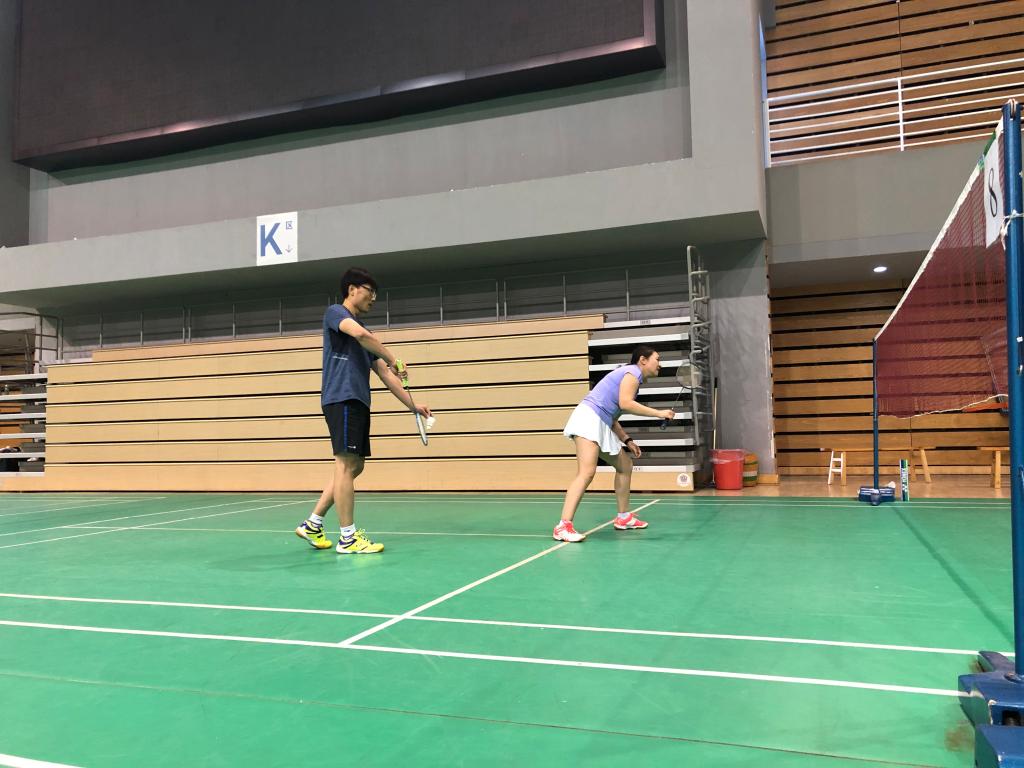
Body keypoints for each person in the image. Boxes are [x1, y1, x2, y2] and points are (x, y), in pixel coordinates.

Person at [295, 267, 431, 554]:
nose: (373, 298)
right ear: (352, 289)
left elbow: (385, 373)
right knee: (345, 464)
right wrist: (393, 356)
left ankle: (313, 523)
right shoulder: (336, 313)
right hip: (342, 397)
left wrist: (412, 405)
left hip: (357, 400)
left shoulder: (367, 336)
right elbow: (359, 335)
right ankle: (348, 538)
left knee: (355, 466)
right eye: (370, 291)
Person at [554, 345, 673, 543]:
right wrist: (659, 413)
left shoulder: (632, 378)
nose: (660, 364)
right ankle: (563, 526)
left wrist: (627, 440)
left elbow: (613, 415)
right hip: (588, 418)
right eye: (657, 359)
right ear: (643, 360)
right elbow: (626, 403)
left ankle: (623, 517)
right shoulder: (632, 373)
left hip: (601, 421)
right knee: (586, 472)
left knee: (625, 466)